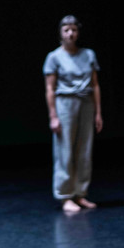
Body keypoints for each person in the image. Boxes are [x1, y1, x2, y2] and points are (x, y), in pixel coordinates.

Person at [43, 15, 103, 213]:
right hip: (65, 103)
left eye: (74, 30)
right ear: (60, 33)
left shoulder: (88, 54)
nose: (70, 33)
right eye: (66, 30)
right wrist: (53, 116)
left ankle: (80, 193)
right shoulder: (54, 57)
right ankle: (65, 195)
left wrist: (98, 113)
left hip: (86, 102)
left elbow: (95, 85)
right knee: (65, 149)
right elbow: (50, 88)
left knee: (84, 150)